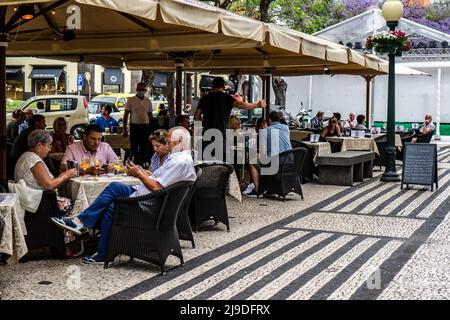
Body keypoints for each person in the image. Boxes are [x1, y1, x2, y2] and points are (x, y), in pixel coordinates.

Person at [51, 127, 197, 264]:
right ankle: (85, 228)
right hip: (143, 194)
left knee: (111, 205)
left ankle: (87, 231)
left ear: (179, 142)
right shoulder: (178, 158)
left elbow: (156, 187)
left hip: (148, 203)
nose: (168, 144)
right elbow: (158, 180)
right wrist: (143, 172)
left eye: (170, 141)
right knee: (114, 189)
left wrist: (139, 174)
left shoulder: (180, 161)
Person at [14, 130, 77, 211]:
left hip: (35, 199)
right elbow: (49, 185)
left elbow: (49, 183)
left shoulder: (26, 156)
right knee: (76, 206)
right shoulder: (33, 159)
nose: (50, 149)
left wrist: (64, 175)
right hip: (39, 202)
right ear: (39, 146)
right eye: (49, 146)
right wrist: (66, 175)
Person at [194, 77, 265, 137]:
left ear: (213, 86)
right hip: (221, 134)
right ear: (223, 87)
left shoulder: (205, 98)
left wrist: (203, 125)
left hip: (207, 134)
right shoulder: (226, 97)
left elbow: (196, 116)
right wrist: (256, 105)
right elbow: (239, 104)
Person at [246, 111, 292, 197]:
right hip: (290, 161)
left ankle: (258, 189)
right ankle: (268, 186)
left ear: (270, 120)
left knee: (253, 161)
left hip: (276, 164)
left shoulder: (265, 131)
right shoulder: (286, 128)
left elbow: (263, 154)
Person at [123, 82, 152, 165]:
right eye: (139, 89)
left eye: (142, 89)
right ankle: (134, 164)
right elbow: (125, 115)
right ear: (136, 90)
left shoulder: (148, 101)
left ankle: (143, 164)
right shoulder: (131, 100)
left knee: (144, 147)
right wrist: (124, 129)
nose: (140, 91)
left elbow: (150, 116)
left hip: (145, 127)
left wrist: (150, 128)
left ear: (145, 90)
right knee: (134, 147)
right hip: (134, 126)